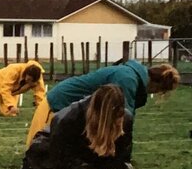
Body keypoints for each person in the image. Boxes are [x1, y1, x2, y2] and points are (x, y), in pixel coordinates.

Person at [11, 84, 137, 169]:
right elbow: (60, 157)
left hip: (83, 155)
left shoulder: (125, 119)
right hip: (50, 153)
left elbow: (123, 153)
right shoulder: (68, 118)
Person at [26, 60, 179, 146]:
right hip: (59, 103)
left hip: (75, 110)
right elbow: (123, 120)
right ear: (157, 86)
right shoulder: (127, 79)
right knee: (39, 149)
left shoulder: (131, 77)